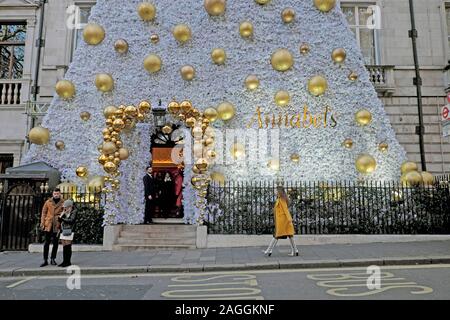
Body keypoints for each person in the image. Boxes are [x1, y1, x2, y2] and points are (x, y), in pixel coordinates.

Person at [263, 186, 299, 257]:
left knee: (276, 235)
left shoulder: (281, 199)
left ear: (279, 191)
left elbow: (285, 210)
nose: (275, 192)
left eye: (276, 190)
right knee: (290, 235)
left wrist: (289, 219)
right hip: (283, 220)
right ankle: (295, 250)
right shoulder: (280, 199)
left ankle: (269, 250)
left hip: (283, 220)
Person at [39, 188, 64, 267]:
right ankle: (45, 260)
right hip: (48, 224)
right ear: (53, 194)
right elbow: (44, 213)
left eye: (57, 194)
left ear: (60, 194)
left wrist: (61, 220)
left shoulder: (63, 202)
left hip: (57, 225)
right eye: (55, 194)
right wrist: (42, 223)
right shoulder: (48, 202)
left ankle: (53, 258)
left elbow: (65, 212)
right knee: (46, 243)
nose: (56, 195)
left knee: (55, 243)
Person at [57, 199, 77, 267]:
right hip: (63, 230)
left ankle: (68, 261)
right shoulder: (65, 211)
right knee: (64, 246)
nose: (64, 208)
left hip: (69, 230)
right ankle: (64, 261)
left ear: (70, 206)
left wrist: (62, 219)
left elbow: (71, 220)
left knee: (68, 246)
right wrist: (62, 215)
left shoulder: (74, 211)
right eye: (64, 207)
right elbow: (60, 220)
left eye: (66, 207)